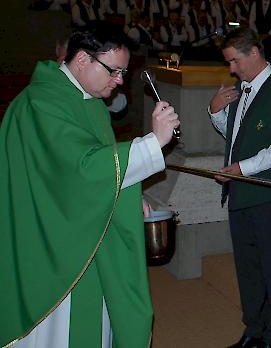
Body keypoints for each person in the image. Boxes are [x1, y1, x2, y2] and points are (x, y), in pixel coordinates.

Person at [0, 25, 180, 347]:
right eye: (114, 71)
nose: (120, 81)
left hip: (80, 225)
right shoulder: (42, 103)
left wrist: (123, 192)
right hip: (50, 239)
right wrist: (153, 143)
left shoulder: (88, 101)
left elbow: (98, 168)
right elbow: (80, 171)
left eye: (124, 72)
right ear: (83, 59)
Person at [208, 28, 271, 348]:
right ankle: (254, 330)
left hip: (270, 196)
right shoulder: (241, 89)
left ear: (254, 53)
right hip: (241, 193)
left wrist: (242, 169)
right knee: (247, 268)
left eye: (234, 61)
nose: (231, 68)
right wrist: (216, 110)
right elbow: (236, 136)